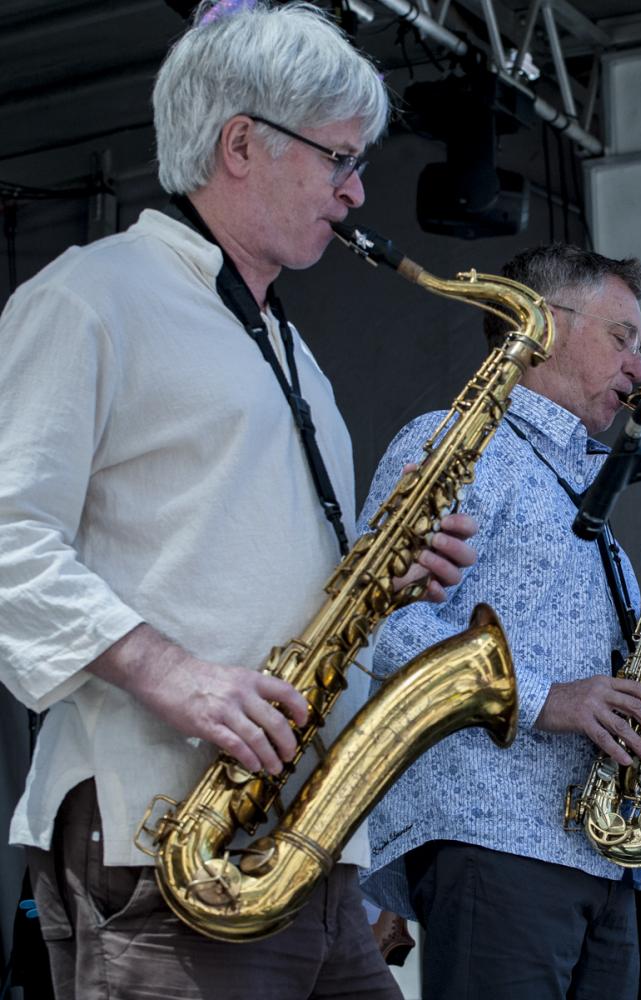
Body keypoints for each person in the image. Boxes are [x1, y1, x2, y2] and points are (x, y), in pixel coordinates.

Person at [0, 4, 477, 999]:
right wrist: (177, 675)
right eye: (341, 159)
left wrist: (384, 575)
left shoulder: (289, 350)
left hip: (302, 844)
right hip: (163, 834)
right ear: (241, 144)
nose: (355, 194)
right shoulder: (92, 294)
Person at [357, 243, 641, 999]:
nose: (640, 368)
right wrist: (545, 697)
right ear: (543, 326)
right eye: (621, 337)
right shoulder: (459, 442)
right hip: (495, 835)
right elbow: (379, 626)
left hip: (600, 851)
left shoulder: (579, 489)